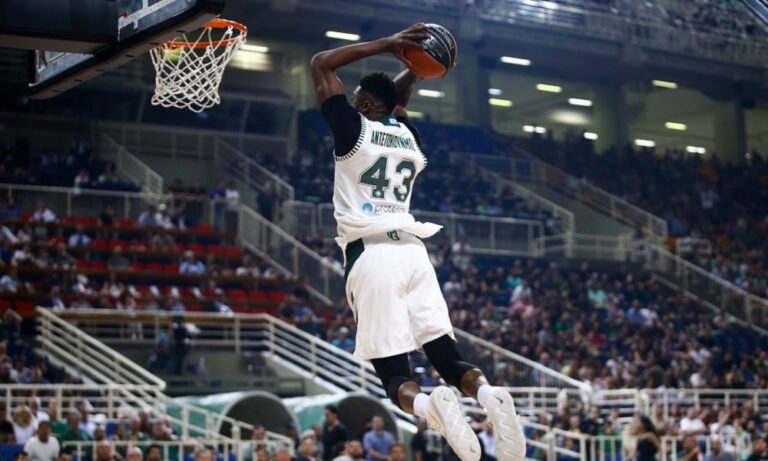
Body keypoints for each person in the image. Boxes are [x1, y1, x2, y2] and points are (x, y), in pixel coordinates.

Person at [311, 23, 524, 461]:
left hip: (371, 255)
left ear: (363, 105)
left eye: (357, 99)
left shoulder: (352, 130)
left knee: (394, 375)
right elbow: (396, 100)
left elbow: (321, 64)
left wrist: (389, 45)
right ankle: (487, 393)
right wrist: (420, 66)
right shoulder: (410, 137)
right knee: (446, 357)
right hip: (414, 254)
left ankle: (430, 407)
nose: (352, 101)